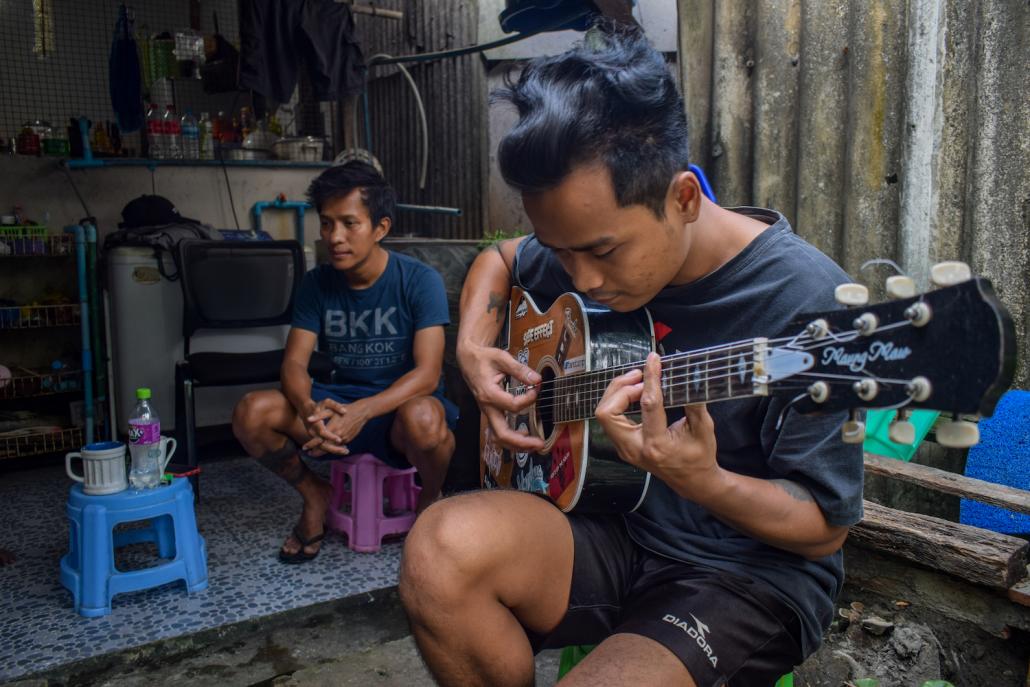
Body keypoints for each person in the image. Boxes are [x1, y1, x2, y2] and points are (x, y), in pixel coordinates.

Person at [398, 26, 863, 687]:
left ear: (684, 198)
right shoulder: (580, 241)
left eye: (603, 251)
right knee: (436, 552)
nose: (580, 279)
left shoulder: (809, 302)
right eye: (559, 252)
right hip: (608, 523)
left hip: (741, 572)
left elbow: (823, 529)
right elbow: (497, 260)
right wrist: (473, 345)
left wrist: (703, 480)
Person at [232, 162, 458, 564]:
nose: (334, 237)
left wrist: (363, 412)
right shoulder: (317, 284)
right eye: (327, 223)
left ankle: (430, 501)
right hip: (336, 405)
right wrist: (309, 409)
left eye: (349, 224)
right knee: (252, 412)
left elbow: (428, 373)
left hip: (397, 413)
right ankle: (314, 495)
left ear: (381, 227)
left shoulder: (420, 280)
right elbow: (294, 365)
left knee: (426, 420)